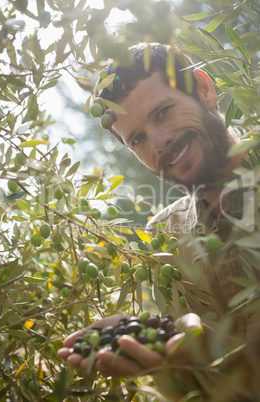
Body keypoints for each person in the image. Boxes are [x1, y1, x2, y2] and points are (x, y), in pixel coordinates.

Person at [58, 43, 260, 400]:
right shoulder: (165, 238)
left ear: (204, 89)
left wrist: (222, 355)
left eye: (163, 112)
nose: (159, 143)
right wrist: (160, 356)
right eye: (137, 138)